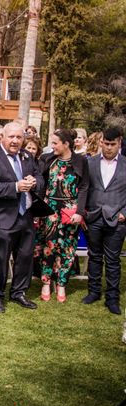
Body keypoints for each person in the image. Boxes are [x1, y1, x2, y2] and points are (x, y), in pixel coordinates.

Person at [0, 122, 44, 313]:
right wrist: (15, 187)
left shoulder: (27, 156)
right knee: (0, 258)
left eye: (19, 137)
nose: (15, 141)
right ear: (3, 137)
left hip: (26, 215)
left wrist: (35, 183)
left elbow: (40, 178)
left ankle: (18, 292)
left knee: (25, 256)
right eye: (11, 137)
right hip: (3, 217)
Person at [34, 128, 89, 303]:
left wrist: (80, 212)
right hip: (49, 209)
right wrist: (38, 210)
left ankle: (62, 283)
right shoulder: (48, 159)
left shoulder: (80, 161)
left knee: (67, 247)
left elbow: (85, 187)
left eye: (55, 143)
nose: (52, 146)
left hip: (70, 210)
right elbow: (42, 186)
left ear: (66, 144)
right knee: (48, 246)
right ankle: (46, 282)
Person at [82, 127, 126, 315]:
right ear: (101, 143)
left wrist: (125, 212)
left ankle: (112, 298)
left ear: (119, 143)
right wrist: (82, 212)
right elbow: (83, 188)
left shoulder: (125, 164)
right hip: (93, 217)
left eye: (112, 144)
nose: (108, 148)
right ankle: (93, 291)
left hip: (117, 218)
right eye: (106, 144)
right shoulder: (90, 163)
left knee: (113, 260)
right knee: (94, 256)